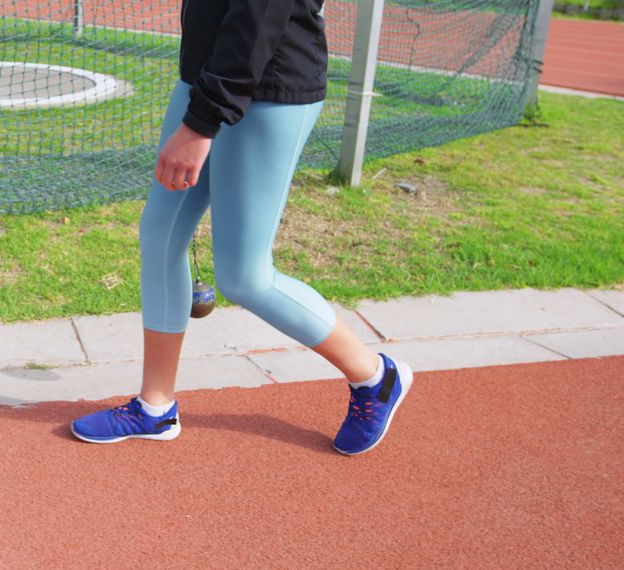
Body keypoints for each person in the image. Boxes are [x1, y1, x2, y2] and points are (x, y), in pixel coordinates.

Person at [70, 0, 413, 455]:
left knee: (246, 278)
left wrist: (199, 125)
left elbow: (258, 16)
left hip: (267, 90)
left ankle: (375, 376)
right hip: (207, 80)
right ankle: (155, 408)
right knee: (160, 237)